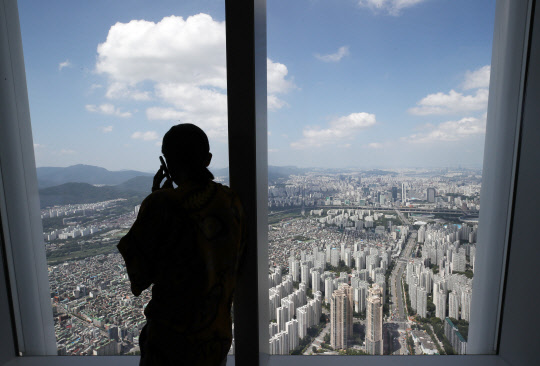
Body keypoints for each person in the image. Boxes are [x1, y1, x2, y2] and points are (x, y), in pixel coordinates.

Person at [117, 124, 246, 366]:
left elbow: (140, 276)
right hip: (215, 338)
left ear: (167, 162)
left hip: (170, 341)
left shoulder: (161, 204)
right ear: (207, 159)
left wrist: (156, 195)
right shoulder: (231, 200)